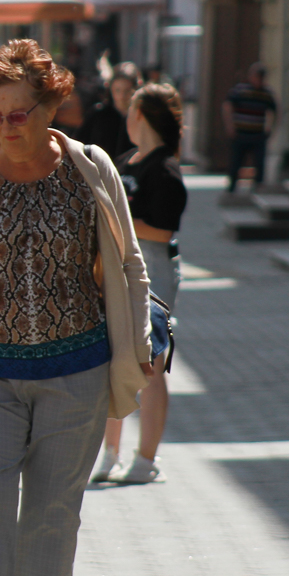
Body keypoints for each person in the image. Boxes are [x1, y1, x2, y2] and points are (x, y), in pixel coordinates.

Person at [0, 39, 154, 576]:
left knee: (53, 515)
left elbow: (130, 267)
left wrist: (138, 345)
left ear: (52, 108)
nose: (4, 125)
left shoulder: (89, 170)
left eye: (18, 113)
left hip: (77, 374)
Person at [95, 83, 188, 484]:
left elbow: (164, 231)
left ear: (140, 115)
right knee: (114, 359)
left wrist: (117, 223)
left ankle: (146, 459)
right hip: (121, 270)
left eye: (130, 108)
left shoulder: (165, 168)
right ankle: (109, 454)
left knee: (150, 364)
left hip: (155, 272)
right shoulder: (127, 161)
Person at [222, 62, 276, 193]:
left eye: (261, 78)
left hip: (257, 134)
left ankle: (258, 189)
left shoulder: (266, 93)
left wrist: (270, 128)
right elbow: (227, 106)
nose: (259, 81)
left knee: (259, 164)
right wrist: (230, 126)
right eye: (257, 77)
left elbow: (274, 110)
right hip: (241, 133)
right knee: (236, 162)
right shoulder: (240, 90)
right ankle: (232, 189)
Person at [76, 61, 141, 160]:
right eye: (117, 90)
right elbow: (79, 143)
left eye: (127, 91)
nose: (122, 96)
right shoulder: (98, 115)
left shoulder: (141, 117)